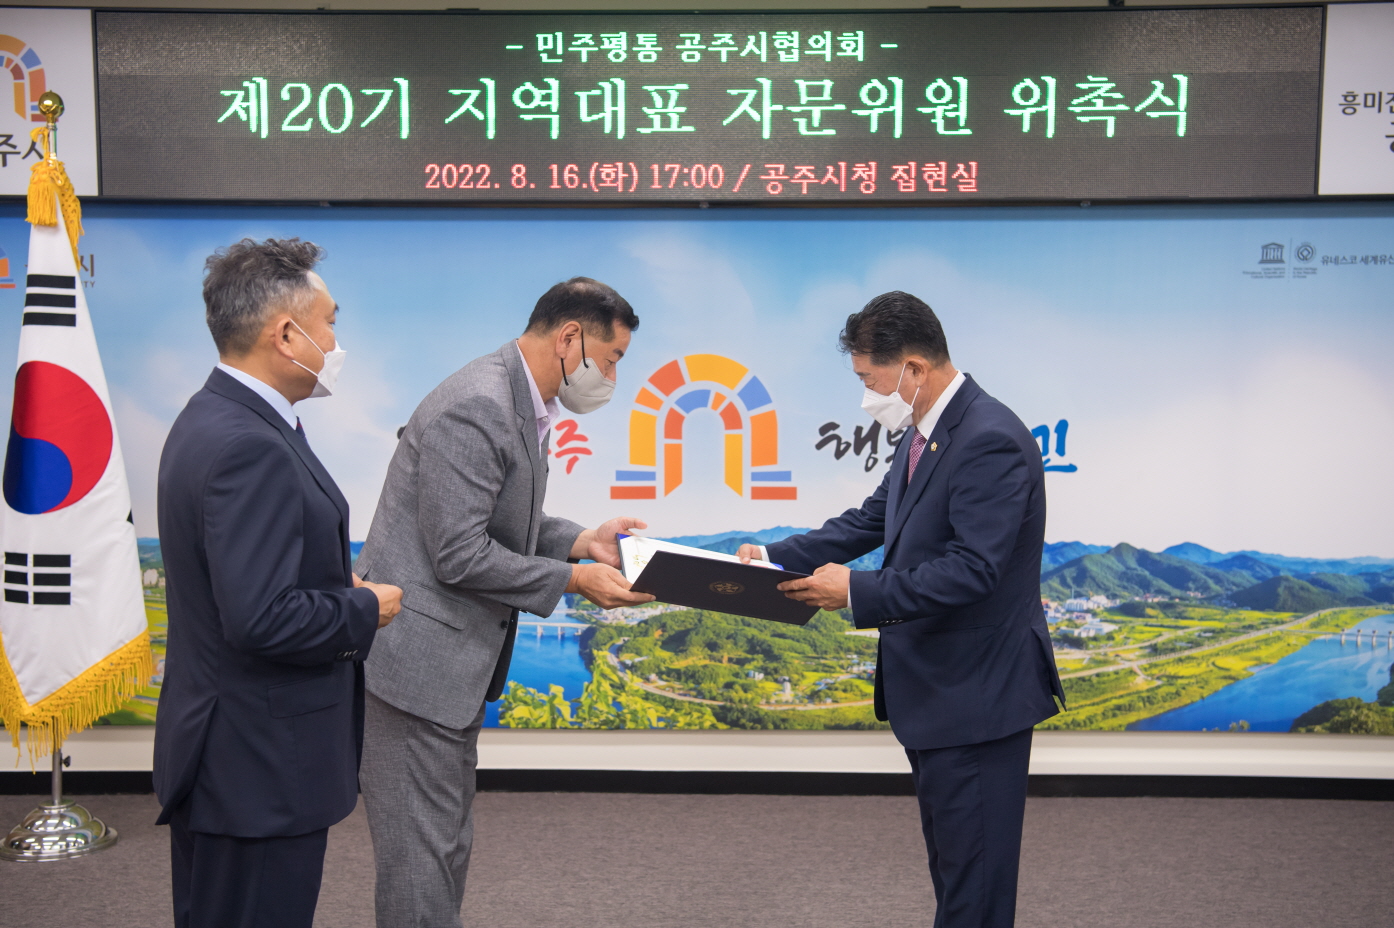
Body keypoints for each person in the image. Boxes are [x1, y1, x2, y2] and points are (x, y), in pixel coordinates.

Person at [741, 291, 1064, 928]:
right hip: (939, 695)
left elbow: (975, 569)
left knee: (975, 884)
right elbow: (869, 520)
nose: (866, 395)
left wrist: (854, 592)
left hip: (976, 695)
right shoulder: (925, 432)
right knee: (956, 868)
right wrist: (772, 557)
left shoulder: (989, 438)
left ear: (913, 368)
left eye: (870, 379)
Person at [355, 276, 654, 927]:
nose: (611, 378)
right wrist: (575, 580)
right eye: (611, 360)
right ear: (570, 338)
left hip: (450, 671)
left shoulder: (522, 401)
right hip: (415, 670)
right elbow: (459, 553)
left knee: (444, 846)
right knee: (420, 860)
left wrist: (584, 541)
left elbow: (503, 521)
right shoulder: (480, 405)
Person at [154, 239, 403, 927]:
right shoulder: (248, 443)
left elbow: (236, 577)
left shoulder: (215, 417)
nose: (336, 343)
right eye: (330, 323)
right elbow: (260, 618)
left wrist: (324, 578)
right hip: (255, 768)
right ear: (286, 334)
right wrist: (362, 608)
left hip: (233, 755)